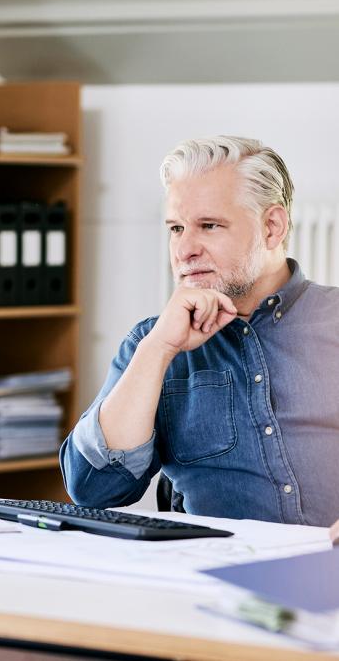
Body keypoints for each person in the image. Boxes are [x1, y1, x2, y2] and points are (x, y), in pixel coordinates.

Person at [60, 135, 339, 527]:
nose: (184, 249)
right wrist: (158, 350)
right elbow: (93, 489)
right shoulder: (151, 343)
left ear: (272, 227)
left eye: (208, 225)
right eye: (176, 228)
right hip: (216, 576)